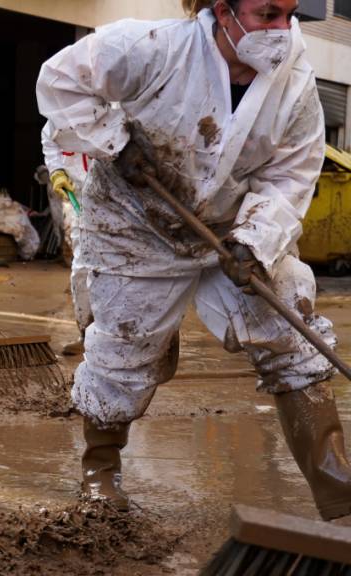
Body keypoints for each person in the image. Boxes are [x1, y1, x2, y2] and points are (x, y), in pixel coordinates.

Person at [37, 0, 351, 520]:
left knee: (290, 321)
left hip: (226, 231)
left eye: (289, 15)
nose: (280, 30)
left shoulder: (295, 83)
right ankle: (100, 474)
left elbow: (291, 174)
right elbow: (60, 81)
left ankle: (335, 483)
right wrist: (116, 142)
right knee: (126, 348)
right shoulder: (152, 47)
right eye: (266, 14)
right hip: (134, 225)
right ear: (224, 10)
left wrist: (255, 239)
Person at [41, 122, 92, 356]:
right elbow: (49, 141)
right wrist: (56, 171)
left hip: (116, 199)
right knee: (81, 268)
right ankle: (87, 333)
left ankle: (133, 339)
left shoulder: (111, 106)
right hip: (79, 198)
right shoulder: (56, 118)